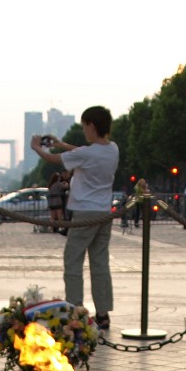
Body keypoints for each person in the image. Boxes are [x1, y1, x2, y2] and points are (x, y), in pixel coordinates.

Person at [32, 105, 119, 330]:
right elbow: (82, 153)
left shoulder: (86, 153)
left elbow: (56, 160)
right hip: (104, 212)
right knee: (100, 262)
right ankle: (103, 313)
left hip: (84, 212)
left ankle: (75, 310)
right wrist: (61, 144)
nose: (84, 131)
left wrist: (37, 148)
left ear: (92, 125)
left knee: (73, 260)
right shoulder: (113, 149)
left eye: (84, 126)